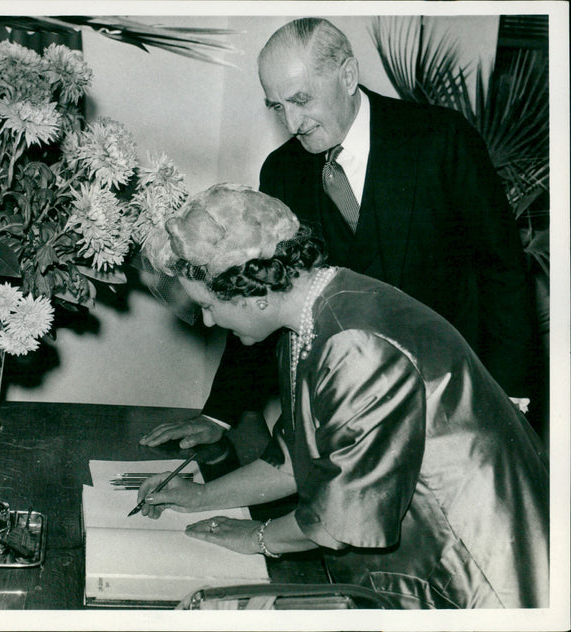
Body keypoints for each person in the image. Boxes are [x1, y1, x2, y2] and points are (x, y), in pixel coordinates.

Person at [138, 183, 548, 609]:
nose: (207, 322)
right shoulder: (311, 315)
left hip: (483, 562)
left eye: (207, 306)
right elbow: (297, 461)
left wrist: (256, 537)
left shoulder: (353, 343)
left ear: (250, 294)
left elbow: (343, 518)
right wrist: (201, 497)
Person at [140, 17, 536, 451]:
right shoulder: (283, 169)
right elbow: (255, 292)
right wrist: (220, 413)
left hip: (452, 400)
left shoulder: (441, 138)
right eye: (277, 106)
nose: (292, 122)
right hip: (349, 413)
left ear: (347, 75)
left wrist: (508, 400)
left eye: (301, 99)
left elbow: (505, 274)